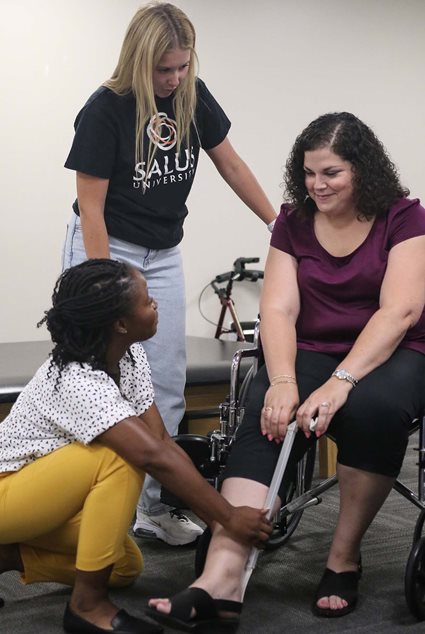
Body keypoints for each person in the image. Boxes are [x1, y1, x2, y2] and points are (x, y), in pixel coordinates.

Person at [146, 111, 425, 629]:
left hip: (396, 349)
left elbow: (399, 312)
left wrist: (341, 382)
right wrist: (283, 381)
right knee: (265, 411)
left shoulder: (403, 216)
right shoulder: (294, 222)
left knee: (374, 409)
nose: (317, 185)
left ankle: (343, 557)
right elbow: (277, 310)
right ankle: (223, 578)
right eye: (309, 173)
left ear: (362, 171)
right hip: (314, 344)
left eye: (332, 173)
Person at [62, 1, 276, 547]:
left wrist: (279, 224)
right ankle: (93, 504)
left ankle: (152, 510)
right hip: (109, 247)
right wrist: (106, 284)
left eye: (182, 67)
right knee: (103, 381)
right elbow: (91, 206)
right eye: (164, 70)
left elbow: (230, 162)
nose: (175, 78)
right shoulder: (105, 109)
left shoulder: (191, 97)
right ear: (139, 60)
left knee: (165, 378)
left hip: (164, 252)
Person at [0, 259, 272, 634]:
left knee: (124, 566)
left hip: (44, 497)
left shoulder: (128, 355)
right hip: (7, 491)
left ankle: (7, 556)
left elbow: (161, 440)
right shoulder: (77, 379)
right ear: (121, 324)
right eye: (146, 300)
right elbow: (150, 455)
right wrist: (228, 515)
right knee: (119, 456)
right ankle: (86, 607)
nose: (156, 303)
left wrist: (217, 522)